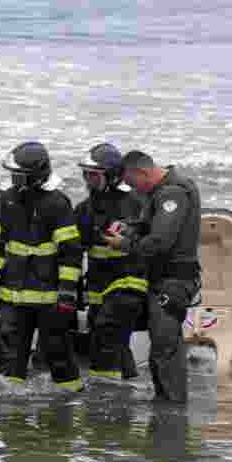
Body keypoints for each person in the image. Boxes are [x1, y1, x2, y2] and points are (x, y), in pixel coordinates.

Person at [102, 150, 201, 403]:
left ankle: (172, 411)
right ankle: (167, 403)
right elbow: (150, 226)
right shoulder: (158, 191)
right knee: (163, 345)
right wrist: (130, 227)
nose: (133, 189)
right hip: (162, 279)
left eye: (132, 182)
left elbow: (160, 242)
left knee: (164, 349)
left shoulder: (173, 193)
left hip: (174, 281)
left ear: (142, 172)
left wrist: (124, 244)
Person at [0, 141, 83, 391]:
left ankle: (71, 403)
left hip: (50, 299)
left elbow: (70, 253)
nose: (13, 180)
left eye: (19, 176)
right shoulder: (7, 200)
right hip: (13, 295)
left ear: (36, 176)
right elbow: (0, 245)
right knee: (10, 357)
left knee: (57, 354)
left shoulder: (57, 204)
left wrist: (66, 293)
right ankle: (9, 412)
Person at [74, 143, 147, 383]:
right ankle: (127, 386)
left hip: (128, 284)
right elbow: (73, 248)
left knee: (107, 333)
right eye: (85, 174)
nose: (88, 180)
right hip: (97, 289)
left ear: (112, 175)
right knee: (105, 336)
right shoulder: (84, 209)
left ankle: (106, 394)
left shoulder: (135, 203)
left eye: (93, 175)